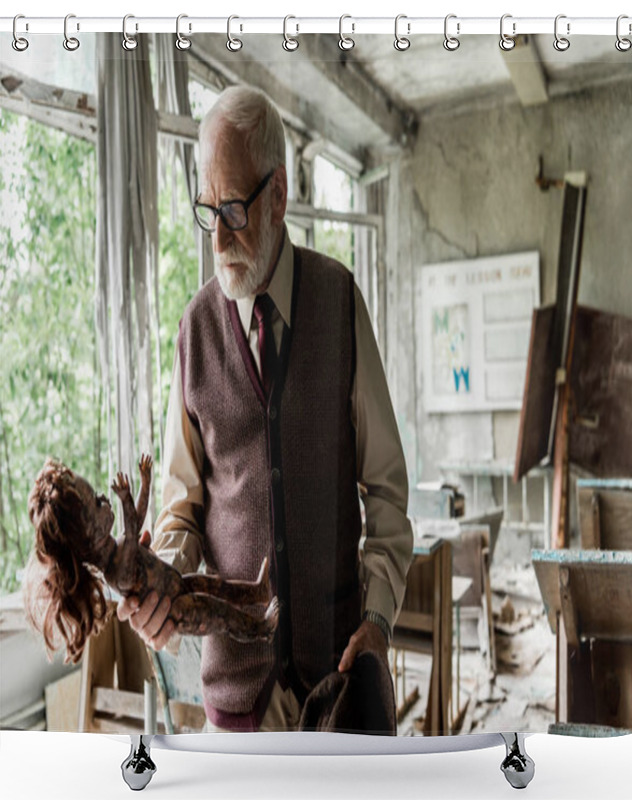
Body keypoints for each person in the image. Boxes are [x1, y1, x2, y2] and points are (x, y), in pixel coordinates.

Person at [116, 86, 414, 733]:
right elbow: (183, 507)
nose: (217, 235)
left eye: (232, 208)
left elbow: (386, 487)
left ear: (278, 195)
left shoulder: (338, 301)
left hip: (336, 682)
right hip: (237, 701)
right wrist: (162, 580)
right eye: (206, 210)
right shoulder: (194, 331)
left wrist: (378, 618)